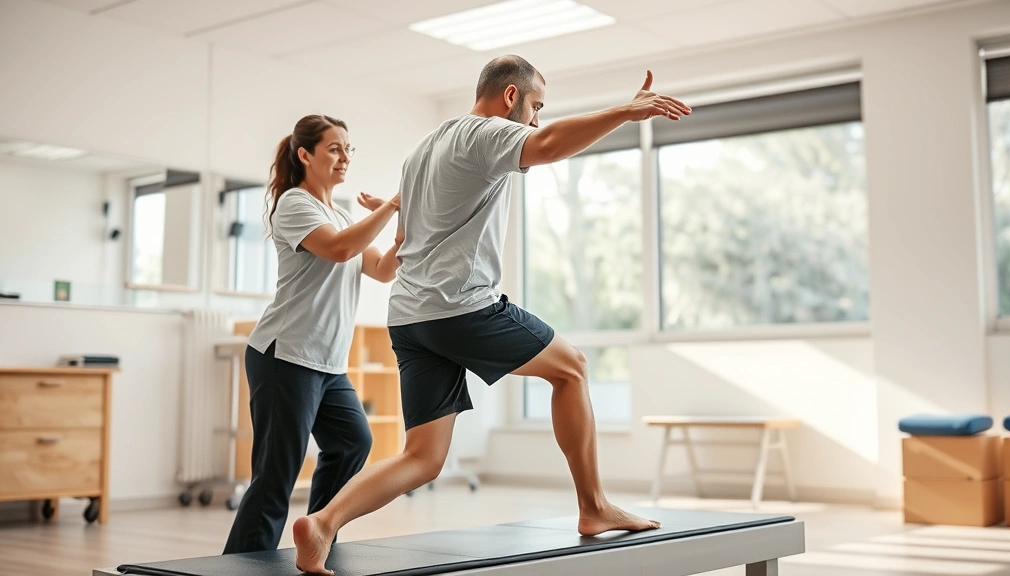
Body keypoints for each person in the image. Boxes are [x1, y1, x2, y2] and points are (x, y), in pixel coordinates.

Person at [291, 56, 691, 575]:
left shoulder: (424, 148)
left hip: (410, 318)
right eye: (536, 106)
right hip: (461, 307)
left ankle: (324, 521)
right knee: (571, 368)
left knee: (423, 458)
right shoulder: (486, 132)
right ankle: (593, 506)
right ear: (510, 97)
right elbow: (545, 147)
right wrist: (625, 112)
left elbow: (409, 237)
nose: (535, 120)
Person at [222, 114, 403, 554]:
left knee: (353, 442)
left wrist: (406, 226)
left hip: (326, 362)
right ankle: (238, 567)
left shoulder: (340, 214)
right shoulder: (294, 204)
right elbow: (340, 250)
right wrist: (392, 205)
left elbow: (381, 270)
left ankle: (317, 534)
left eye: (348, 149)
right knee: (276, 477)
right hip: (285, 355)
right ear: (305, 155)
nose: (344, 157)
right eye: (335, 148)